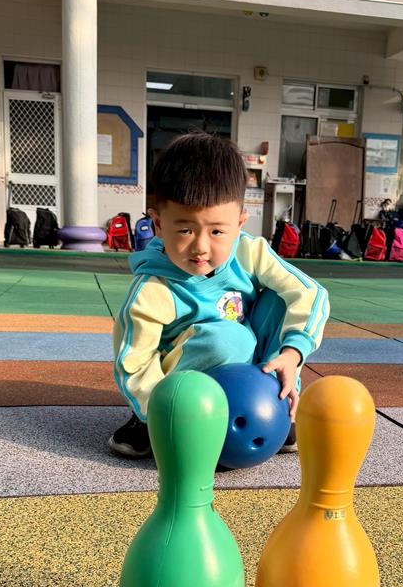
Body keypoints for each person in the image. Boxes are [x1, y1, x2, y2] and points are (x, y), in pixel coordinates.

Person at [109, 132, 330, 459]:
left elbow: (310, 293)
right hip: (181, 380)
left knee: (281, 298)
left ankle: (277, 400)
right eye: (185, 230)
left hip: (246, 366)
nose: (200, 247)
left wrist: (293, 353)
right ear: (158, 224)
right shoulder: (154, 288)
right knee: (229, 339)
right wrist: (157, 411)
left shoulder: (248, 252)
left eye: (216, 231)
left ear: (239, 224)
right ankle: (145, 421)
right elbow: (134, 363)